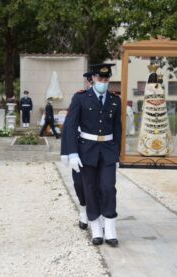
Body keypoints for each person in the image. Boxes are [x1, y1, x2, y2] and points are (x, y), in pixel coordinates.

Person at [66, 63, 122, 247]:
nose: (103, 83)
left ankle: (110, 228)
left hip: (107, 150)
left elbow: (117, 129)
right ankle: (96, 228)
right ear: (93, 79)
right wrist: (72, 153)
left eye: (106, 79)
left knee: (108, 188)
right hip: (86, 150)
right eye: (100, 79)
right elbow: (71, 126)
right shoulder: (81, 98)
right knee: (89, 189)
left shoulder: (115, 100)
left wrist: (117, 154)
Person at [60, 71, 94, 230]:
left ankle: (97, 216)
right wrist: (66, 152)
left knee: (99, 185)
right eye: (92, 82)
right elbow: (69, 126)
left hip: (98, 149)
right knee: (80, 183)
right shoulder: (80, 98)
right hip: (80, 148)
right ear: (89, 82)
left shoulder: (108, 100)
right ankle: (83, 210)